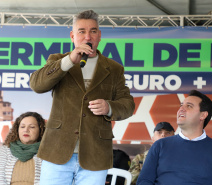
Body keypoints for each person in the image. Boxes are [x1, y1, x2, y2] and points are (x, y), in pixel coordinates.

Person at [29, 9, 135, 185]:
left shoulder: (114, 68)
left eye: (93, 31)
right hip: (57, 150)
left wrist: (109, 107)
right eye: (82, 31)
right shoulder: (59, 60)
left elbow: (128, 105)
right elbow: (36, 84)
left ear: (99, 35)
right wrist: (69, 60)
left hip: (95, 154)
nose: (88, 37)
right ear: (72, 36)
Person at [137, 90, 212, 185]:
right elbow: (144, 181)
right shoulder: (160, 145)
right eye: (181, 105)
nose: (181, 109)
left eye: (189, 106)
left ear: (203, 115)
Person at [0, 112, 46, 185]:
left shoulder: (46, 152)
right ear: (17, 129)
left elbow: (47, 180)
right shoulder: (4, 150)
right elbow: (0, 178)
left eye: (32, 127)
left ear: (40, 130)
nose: (26, 130)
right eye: (22, 126)